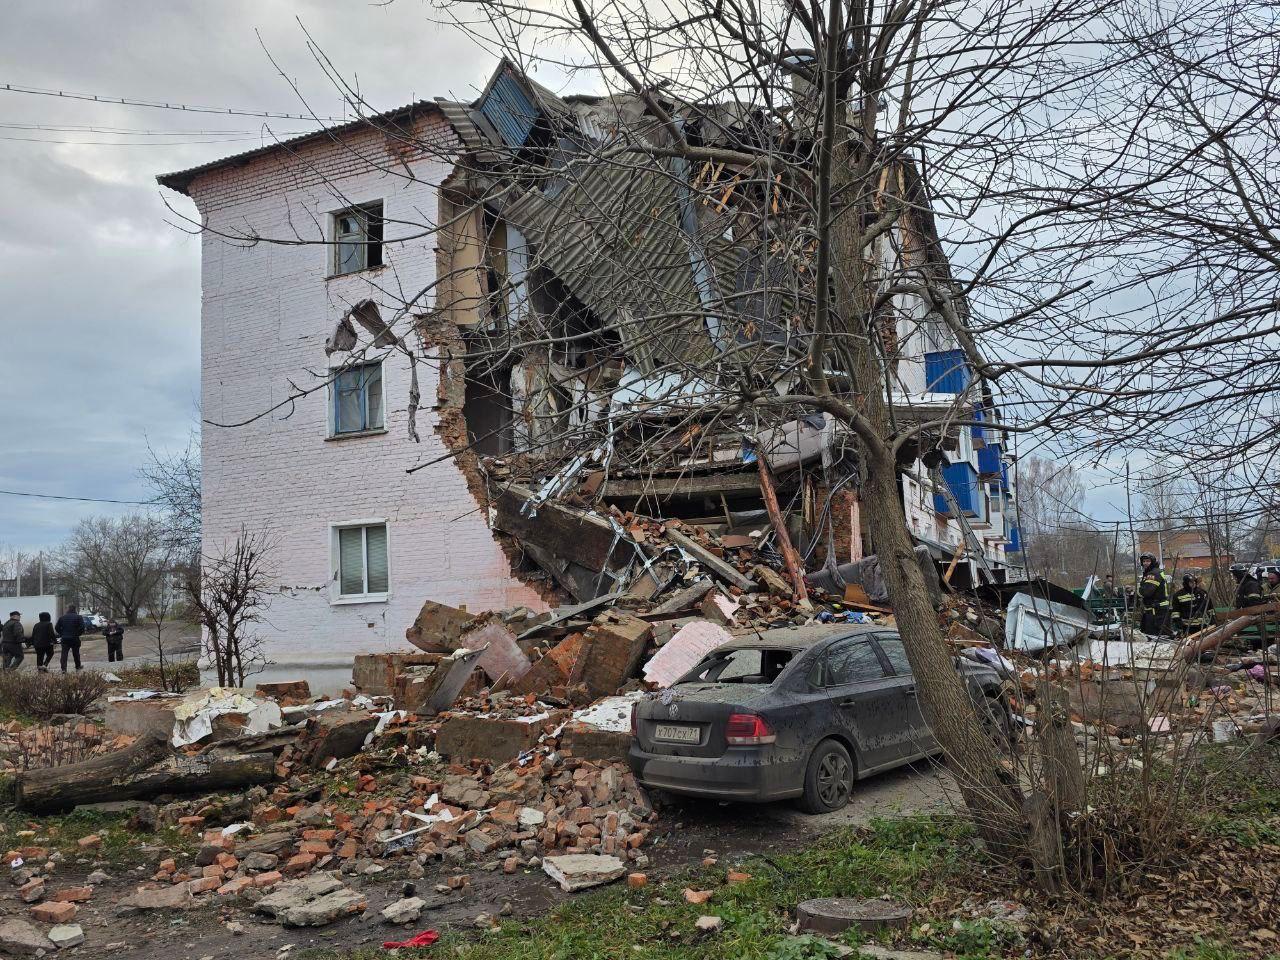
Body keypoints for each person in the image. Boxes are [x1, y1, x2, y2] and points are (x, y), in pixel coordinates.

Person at [1138, 553, 1173, 636]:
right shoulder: (1152, 572)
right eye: (1143, 561)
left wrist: (1137, 591)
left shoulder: (1153, 574)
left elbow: (1146, 592)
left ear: (1152, 562)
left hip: (1157, 611)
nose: (1145, 563)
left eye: (1148, 561)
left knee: (1156, 636)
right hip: (1156, 609)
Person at [54, 605, 85, 672]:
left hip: (65, 638)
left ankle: (63, 669)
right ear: (75, 609)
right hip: (75, 638)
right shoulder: (79, 617)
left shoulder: (62, 618)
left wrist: (62, 634)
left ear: (68, 609)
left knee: (64, 653)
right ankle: (78, 666)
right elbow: (82, 627)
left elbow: (56, 627)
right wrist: (78, 633)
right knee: (76, 653)